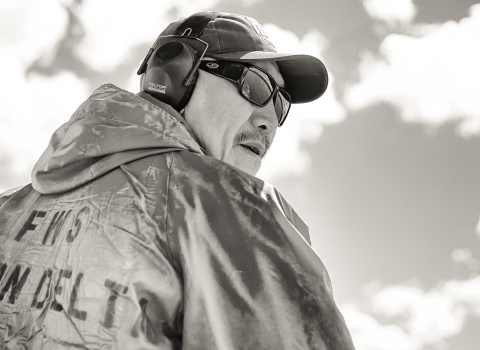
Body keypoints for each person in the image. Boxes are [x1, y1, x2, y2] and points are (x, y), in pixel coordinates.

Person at [0, 11, 355, 350]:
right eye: (255, 86)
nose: (269, 121)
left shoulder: (8, 210)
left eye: (281, 104)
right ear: (176, 75)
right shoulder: (239, 208)